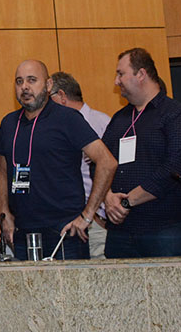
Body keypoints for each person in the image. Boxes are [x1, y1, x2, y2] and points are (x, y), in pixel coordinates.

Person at [0, 60, 116, 260]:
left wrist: (87, 216)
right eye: (19, 81)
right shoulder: (8, 123)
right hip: (22, 231)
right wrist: (4, 212)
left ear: (49, 85)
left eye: (32, 80)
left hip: (64, 231)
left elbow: (107, 162)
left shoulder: (68, 118)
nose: (24, 86)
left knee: (69, 292)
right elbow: (2, 171)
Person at [101, 47, 181, 258]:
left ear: (141, 74)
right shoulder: (119, 119)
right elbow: (99, 162)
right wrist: (107, 197)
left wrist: (127, 202)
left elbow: (175, 169)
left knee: (171, 290)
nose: (116, 81)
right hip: (121, 232)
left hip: (167, 231)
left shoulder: (176, 115)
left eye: (120, 73)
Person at [49, 71, 112, 258]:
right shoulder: (54, 128)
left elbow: (113, 169)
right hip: (69, 223)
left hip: (96, 224)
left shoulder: (102, 123)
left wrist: (97, 216)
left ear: (61, 96)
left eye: (47, 98)